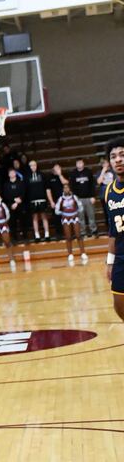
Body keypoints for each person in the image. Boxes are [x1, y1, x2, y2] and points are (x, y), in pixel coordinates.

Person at [103, 138, 124, 325]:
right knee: (119, 305)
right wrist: (109, 262)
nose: (118, 160)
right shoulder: (109, 191)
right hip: (120, 257)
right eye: (113, 156)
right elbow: (112, 229)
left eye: (122, 155)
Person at [55, 189, 87, 265]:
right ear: (63, 190)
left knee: (78, 235)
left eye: (67, 188)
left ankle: (83, 253)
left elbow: (81, 207)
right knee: (68, 237)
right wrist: (63, 213)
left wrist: (76, 212)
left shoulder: (74, 197)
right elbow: (56, 211)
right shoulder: (60, 199)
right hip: (66, 219)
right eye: (65, 188)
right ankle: (70, 254)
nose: (66, 190)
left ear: (69, 189)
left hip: (74, 217)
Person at [69, 158, 97, 238]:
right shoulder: (73, 173)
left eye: (80, 162)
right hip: (78, 199)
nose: (79, 164)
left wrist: (93, 196)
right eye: (78, 163)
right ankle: (83, 233)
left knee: (91, 216)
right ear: (76, 164)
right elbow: (71, 187)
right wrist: (74, 198)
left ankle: (94, 231)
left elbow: (92, 185)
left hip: (89, 198)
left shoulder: (88, 172)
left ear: (83, 163)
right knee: (80, 217)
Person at [26, 160, 51, 243]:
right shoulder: (27, 177)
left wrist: (49, 200)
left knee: (44, 217)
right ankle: (37, 235)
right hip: (32, 201)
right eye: (31, 165)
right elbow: (26, 190)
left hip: (42, 199)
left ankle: (47, 234)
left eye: (34, 165)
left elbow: (47, 188)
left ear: (36, 166)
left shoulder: (42, 175)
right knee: (35, 218)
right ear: (29, 167)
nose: (33, 167)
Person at [2, 168, 27, 244]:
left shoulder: (21, 182)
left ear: (15, 173)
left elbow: (24, 192)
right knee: (12, 222)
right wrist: (13, 201)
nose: (12, 174)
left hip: (20, 203)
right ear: (9, 174)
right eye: (10, 173)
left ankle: (25, 236)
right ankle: (14, 237)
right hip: (11, 205)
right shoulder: (6, 184)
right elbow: (5, 195)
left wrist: (19, 200)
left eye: (13, 172)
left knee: (23, 220)